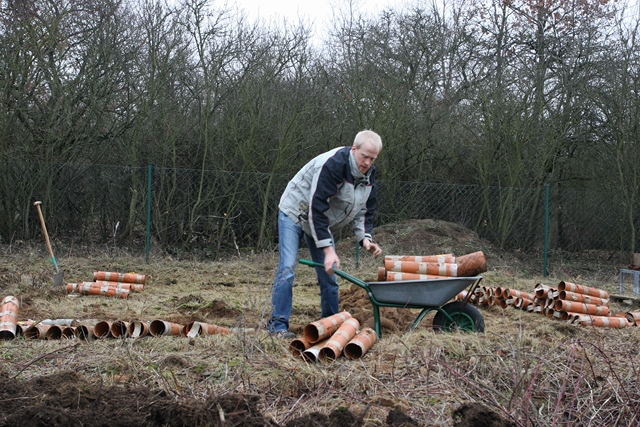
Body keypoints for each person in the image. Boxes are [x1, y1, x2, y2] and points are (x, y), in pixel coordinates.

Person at [268, 130, 383, 338]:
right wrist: (328, 249)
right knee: (287, 268)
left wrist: (365, 238)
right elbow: (316, 208)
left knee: (330, 274)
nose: (367, 162)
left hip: (319, 222)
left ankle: (329, 325)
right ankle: (278, 326)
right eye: (364, 156)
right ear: (354, 149)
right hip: (296, 212)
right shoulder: (333, 165)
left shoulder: (369, 175)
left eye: (372, 158)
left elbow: (365, 209)